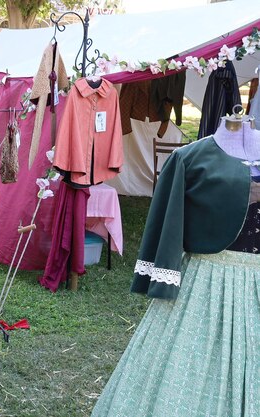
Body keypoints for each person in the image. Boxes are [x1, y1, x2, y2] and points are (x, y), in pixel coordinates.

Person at [91, 118, 260, 417]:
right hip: (208, 282)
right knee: (189, 365)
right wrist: (163, 276)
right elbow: (166, 223)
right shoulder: (189, 158)